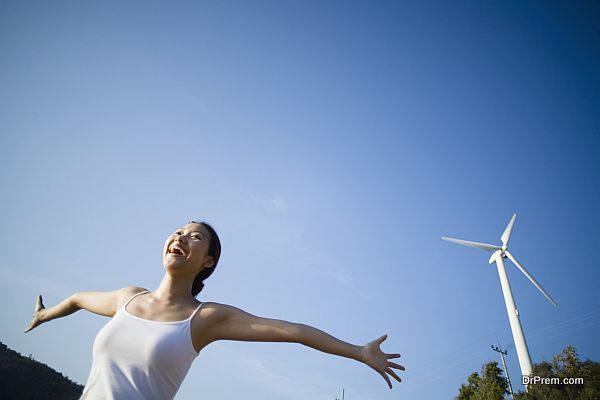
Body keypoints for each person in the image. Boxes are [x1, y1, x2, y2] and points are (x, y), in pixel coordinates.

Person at [25, 220, 405, 399]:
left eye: (195, 237)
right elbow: (76, 299)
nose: (180, 237)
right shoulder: (127, 298)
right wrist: (45, 315)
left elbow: (294, 331)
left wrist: (358, 352)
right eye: (178, 231)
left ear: (207, 261)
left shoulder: (204, 319)